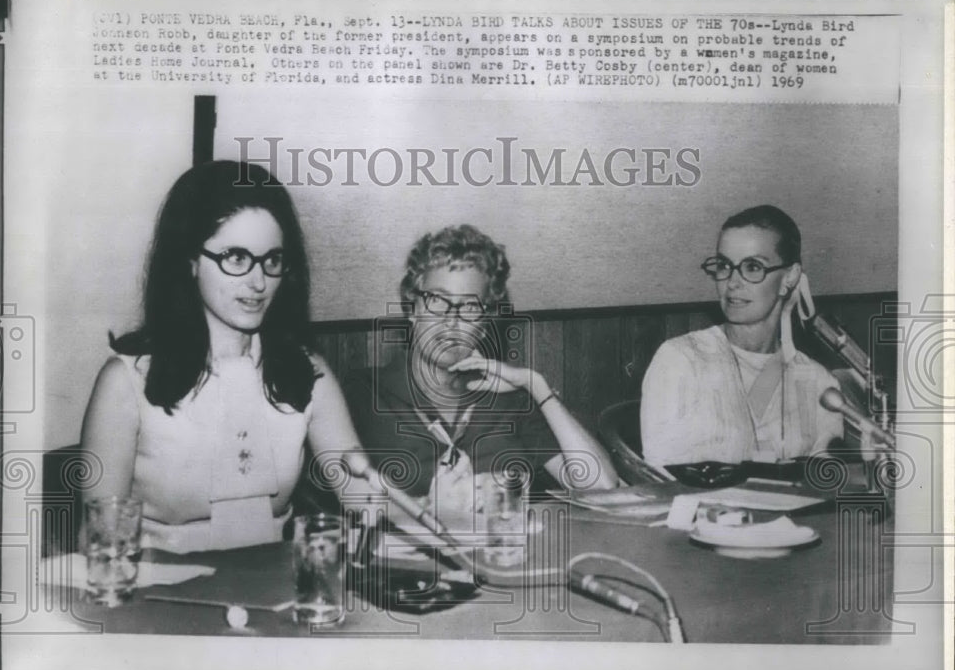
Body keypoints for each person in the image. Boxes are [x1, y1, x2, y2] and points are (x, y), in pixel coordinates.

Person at [80, 161, 381, 552]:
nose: (258, 282)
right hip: (159, 602)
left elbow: (366, 497)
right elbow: (99, 543)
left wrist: (446, 512)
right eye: (236, 258)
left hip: (276, 597)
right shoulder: (126, 380)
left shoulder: (308, 373)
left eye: (271, 260)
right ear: (189, 259)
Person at [344, 225, 619, 531]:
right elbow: (347, 516)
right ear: (413, 308)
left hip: (508, 566)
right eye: (437, 299)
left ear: (485, 325)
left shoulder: (510, 401)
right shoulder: (362, 396)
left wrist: (536, 386)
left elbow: (604, 488)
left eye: (471, 306)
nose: (452, 319)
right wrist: (432, 510)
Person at [640, 205, 843, 468]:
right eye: (725, 266)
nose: (732, 282)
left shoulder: (819, 384)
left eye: (752, 267)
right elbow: (661, 474)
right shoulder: (681, 360)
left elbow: (824, 482)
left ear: (789, 277)